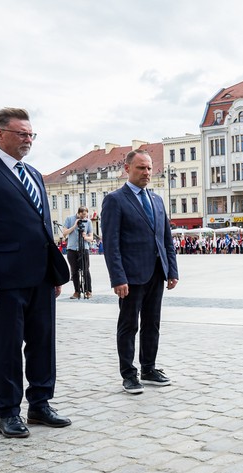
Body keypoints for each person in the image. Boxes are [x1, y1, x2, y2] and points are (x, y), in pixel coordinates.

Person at [0, 107, 71, 438]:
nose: (28, 140)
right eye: (22, 134)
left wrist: (53, 273)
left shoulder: (35, 174)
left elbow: (41, 227)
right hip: (4, 279)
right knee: (7, 347)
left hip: (41, 276)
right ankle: (8, 411)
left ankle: (40, 404)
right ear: (0, 134)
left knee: (43, 343)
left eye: (31, 134)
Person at [101, 149, 179, 394]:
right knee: (128, 325)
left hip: (156, 272)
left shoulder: (156, 200)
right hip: (131, 276)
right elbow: (111, 244)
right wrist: (118, 277)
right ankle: (129, 373)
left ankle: (149, 368)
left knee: (152, 323)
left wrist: (172, 270)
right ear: (127, 169)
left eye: (149, 168)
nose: (146, 173)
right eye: (140, 168)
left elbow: (166, 238)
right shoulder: (115, 199)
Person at [63, 206, 94, 299]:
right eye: (83, 215)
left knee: (86, 270)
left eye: (86, 215)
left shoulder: (88, 222)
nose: (84, 217)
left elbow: (91, 238)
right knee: (74, 271)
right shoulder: (69, 219)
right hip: (72, 249)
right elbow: (64, 233)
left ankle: (88, 291)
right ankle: (77, 291)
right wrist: (74, 225)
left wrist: (85, 237)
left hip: (84, 249)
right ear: (79, 213)